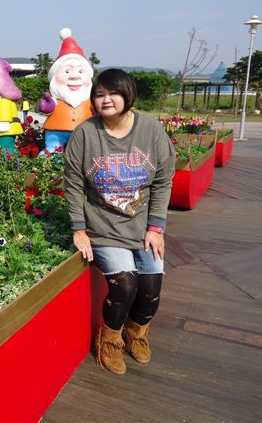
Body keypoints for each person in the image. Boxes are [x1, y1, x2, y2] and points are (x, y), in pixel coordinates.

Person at [64, 68, 175, 375]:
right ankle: (110, 340)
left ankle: (136, 333)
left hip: (143, 227)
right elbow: (73, 184)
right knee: (125, 286)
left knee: (150, 289)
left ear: (128, 95)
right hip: (103, 228)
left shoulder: (151, 130)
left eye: (113, 93)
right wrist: (78, 229)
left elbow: (163, 181)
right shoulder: (85, 134)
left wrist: (156, 228)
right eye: (99, 94)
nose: (106, 100)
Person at [38, 28, 94, 153]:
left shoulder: (90, 100)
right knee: (53, 148)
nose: (74, 76)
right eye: (67, 71)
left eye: (81, 71)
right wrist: (46, 105)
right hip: (56, 130)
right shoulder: (55, 100)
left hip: (84, 132)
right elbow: (46, 109)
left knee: (84, 151)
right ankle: (52, 154)